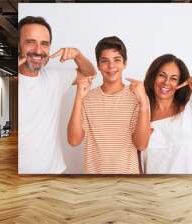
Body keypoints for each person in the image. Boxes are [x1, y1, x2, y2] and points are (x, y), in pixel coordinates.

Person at [18, 16, 96, 174]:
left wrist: (77, 55)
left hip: (54, 172)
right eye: (30, 42)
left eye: (44, 44)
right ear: (18, 45)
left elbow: (90, 73)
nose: (39, 50)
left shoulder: (55, 78)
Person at [67, 36, 151, 174]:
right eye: (105, 61)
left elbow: (141, 144)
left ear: (125, 63)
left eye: (116, 60)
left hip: (128, 183)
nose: (111, 66)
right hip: (95, 183)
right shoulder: (87, 98)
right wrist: (78, 98)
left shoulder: (138, 97)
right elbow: (74, 140)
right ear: (98, 65)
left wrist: (143, 104)